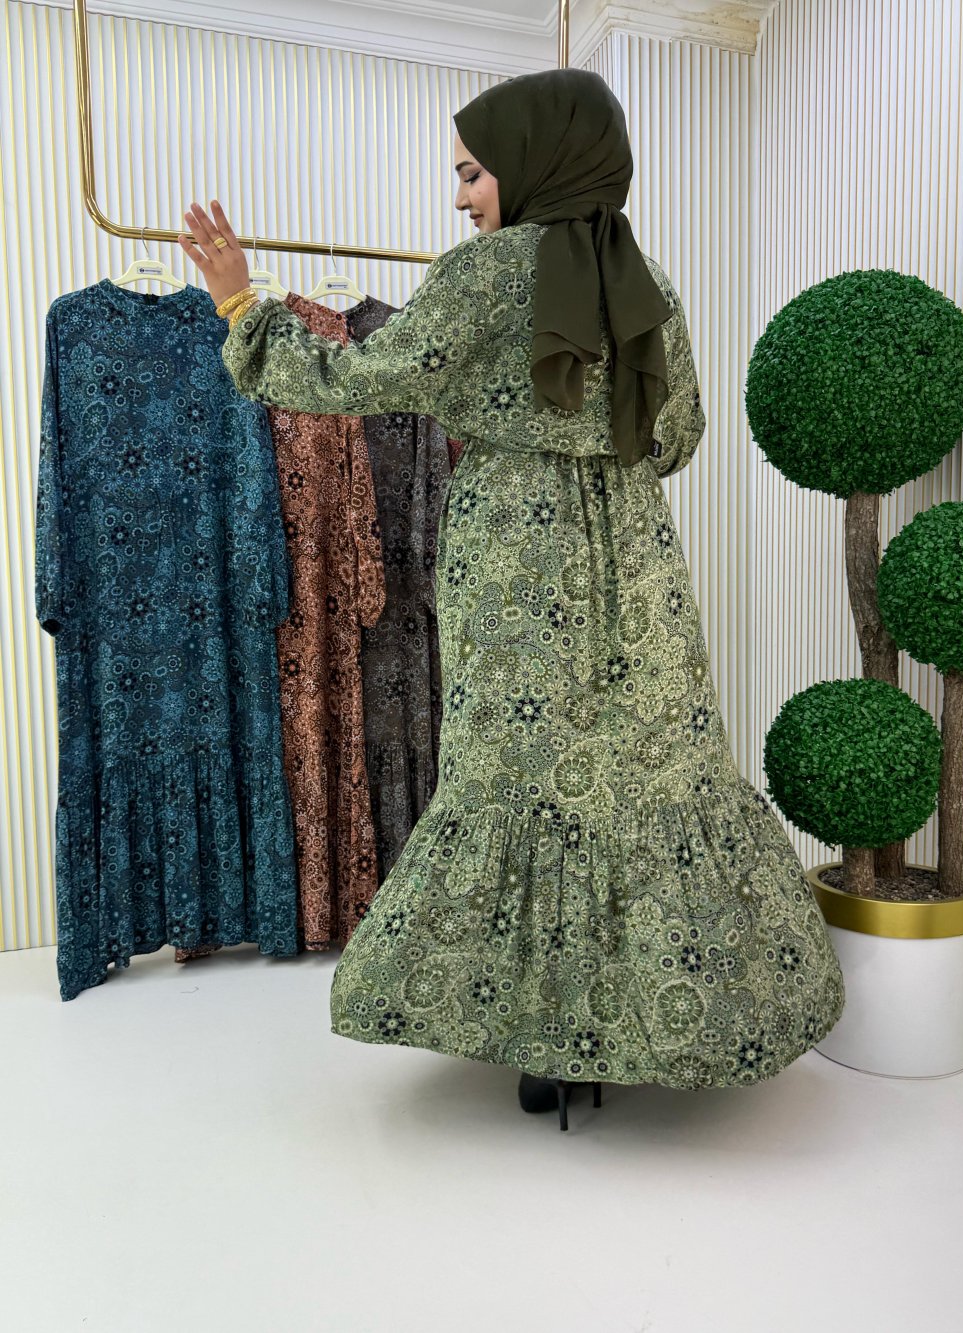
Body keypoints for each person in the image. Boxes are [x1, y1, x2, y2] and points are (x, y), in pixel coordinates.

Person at [180, 69, 844, 1131]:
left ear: (538, 161)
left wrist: (239, 305)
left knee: (517, 778)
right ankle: (650, 1025)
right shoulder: (649, 282)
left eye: (473, 173)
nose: (461, 198)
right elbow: (677, 436)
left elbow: (355, 381)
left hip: (514, 572)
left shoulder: (484, 277)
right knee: (645, 772)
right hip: (636, 564)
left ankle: (543, 1037)